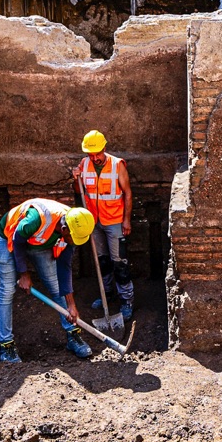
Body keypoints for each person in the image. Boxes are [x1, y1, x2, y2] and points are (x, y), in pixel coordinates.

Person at [0, 197, 96, 363]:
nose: (74, 242)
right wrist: (24, 274)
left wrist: (71, 305)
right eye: (73, 239)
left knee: (55, 286)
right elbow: (18, 241)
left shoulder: (73, 229)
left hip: (39, 242)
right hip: (10, 237)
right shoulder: (36, 219)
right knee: (7, 290)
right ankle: (6, 346)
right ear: (64, 229)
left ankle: (73, 335)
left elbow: (64, 267)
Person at [72, 130, 134, 320]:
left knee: (119, 262)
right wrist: (76, 180)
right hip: (94, 222)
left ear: (104, 149)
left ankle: (126, 300)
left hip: (115, 221)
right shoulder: (85, 164)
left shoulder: (117, 165)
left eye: (98, 153)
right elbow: (79, 191)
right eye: (91, 154)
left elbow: (128, 194)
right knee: (102, 262)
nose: (95, 157)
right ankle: (106, 295)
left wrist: (126, 220)